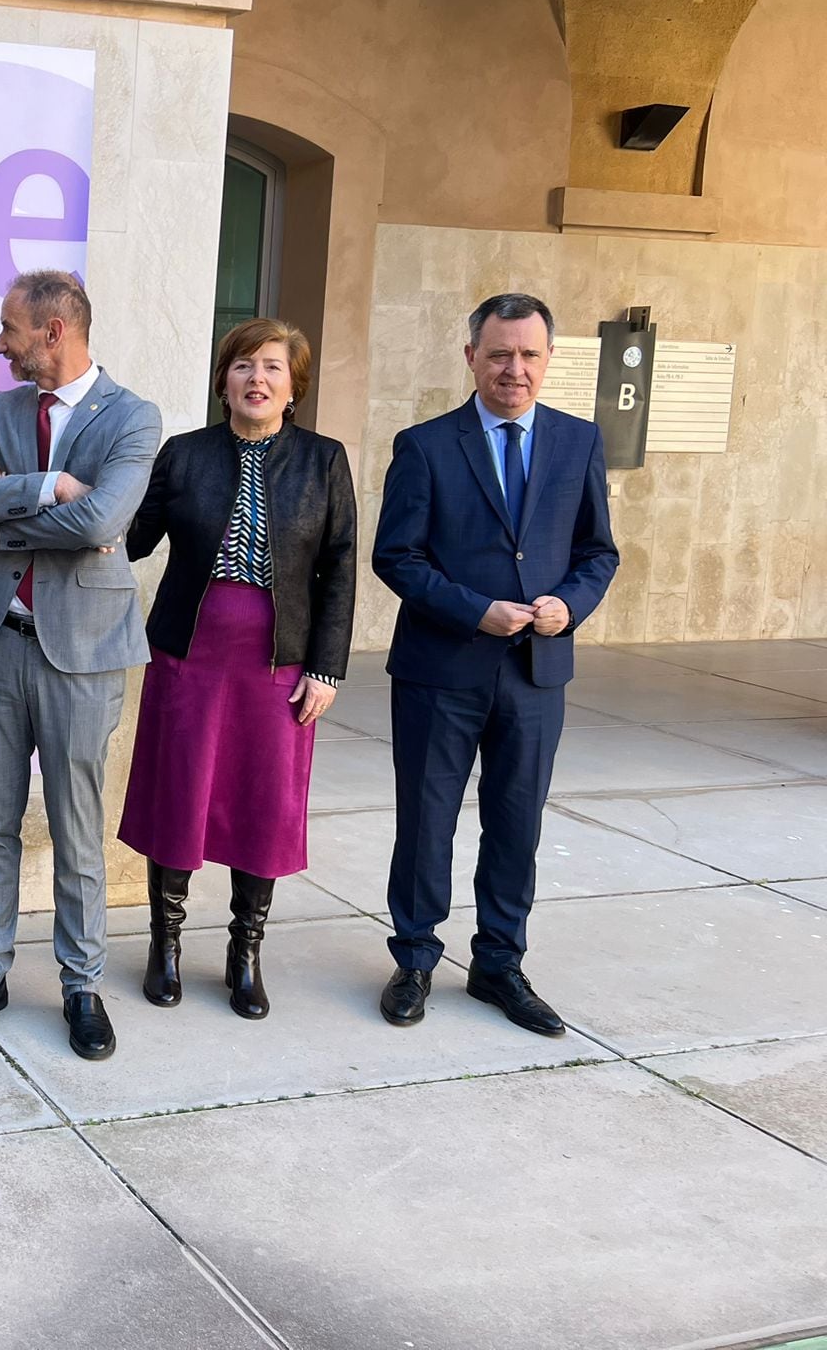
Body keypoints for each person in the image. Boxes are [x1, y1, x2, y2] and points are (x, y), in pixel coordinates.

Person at [372, 292, 618, 1035]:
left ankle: (499, 964)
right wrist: (472, 608)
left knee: (516, 823)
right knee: (427, 821)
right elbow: (397, 556)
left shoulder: (579, 442)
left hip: (536, 673)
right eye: (500, 353)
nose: (515, 368)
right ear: (471, 357)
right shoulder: (425, 445)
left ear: (548, 360)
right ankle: (414, 956)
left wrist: (569, 605)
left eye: (530, 354)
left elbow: (597, 551)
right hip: (441, 670)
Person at [0, 270, 160, 1060]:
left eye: (10, 328)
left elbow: (108, 516)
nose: (0, 343)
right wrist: (52, 487)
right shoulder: (0, 411)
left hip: (85, 652)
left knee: (76, 827)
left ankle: (81, 985)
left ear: (54, 331)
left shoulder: (132, 417)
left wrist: (15, 513)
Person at [114, 318, 356, 1019]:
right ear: (223, 381)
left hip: (280, 660)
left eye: (273, 368)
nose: (257, 379)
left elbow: (339, 568)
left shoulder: (323, 461)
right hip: (189, 653)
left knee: (262, 802)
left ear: (293, 387)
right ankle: (165, 946)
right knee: (178, 793)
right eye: (244, 365)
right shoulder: (185, 454)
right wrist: (86, 490)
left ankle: (244, 953)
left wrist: (327, 668)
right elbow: (131, 537)